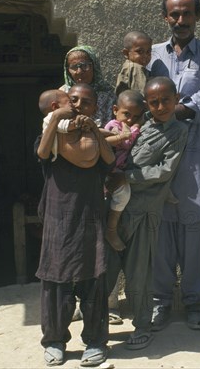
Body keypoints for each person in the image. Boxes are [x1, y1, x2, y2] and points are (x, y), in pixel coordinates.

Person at [149, 0, 200, 331]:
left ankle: (194, 300)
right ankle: (161, 300)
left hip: (194, 154)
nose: (180, 20)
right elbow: (138, 98)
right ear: (165, 17)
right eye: (174, 15)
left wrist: (169, 111)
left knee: (195, 227)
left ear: (197, 15)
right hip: (156, 154)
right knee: (160, 227)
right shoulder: (151, 56)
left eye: (187, 14)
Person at [35, 83, 115, 367]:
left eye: (87, 101)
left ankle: (95, 341)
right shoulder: (54, 134)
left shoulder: (93, 138)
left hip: (90, 215)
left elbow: (109, 159)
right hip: (57, 216)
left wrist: (94, 129)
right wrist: (56, 119)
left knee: (93, 278)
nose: (80, 104)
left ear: (95, 107)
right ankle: (55, 341)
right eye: (74, 99)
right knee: (56, 279)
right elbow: (42, 154)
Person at [105, 77, 188, 350]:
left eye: (166, 100)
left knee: (139, 272)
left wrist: (126, 177)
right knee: (105, 269)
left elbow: (164, 171)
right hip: (116, 208)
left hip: (144, 211)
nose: (161, 106)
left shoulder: (177, 132)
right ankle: (97, 326)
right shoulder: (141, 124)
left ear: (176, 99)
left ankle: (142, 325)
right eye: (154, 102)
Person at [102, 90, 145, 326]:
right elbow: (107, 140)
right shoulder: (111, 125)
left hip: (121, 176)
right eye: (125, 114)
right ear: (115, 111)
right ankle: (93, 303)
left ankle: (113, 304)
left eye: (135, 116)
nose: (129, 119)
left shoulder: (134, 128)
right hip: (106, 177)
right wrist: (126, 134)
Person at [38, 89, 99, 168]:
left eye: (85, 102)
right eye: (71, 102)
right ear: (55, 107)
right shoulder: (53, 119)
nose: (76, 106)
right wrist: (80, 123)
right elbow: (42, 153)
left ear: (95, 109)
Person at [60, 45, 116, 127]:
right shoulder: (62, 93)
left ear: (94, 66)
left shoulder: (108, 94)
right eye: (74, 67)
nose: (79, 71)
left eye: (84, 66)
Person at [115, 31, 153, 96]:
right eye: (140, 52)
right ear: (126, 53)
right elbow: (140, 94)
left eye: (148, 52)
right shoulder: (136, 68)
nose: (145, 56)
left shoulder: (127, 66)